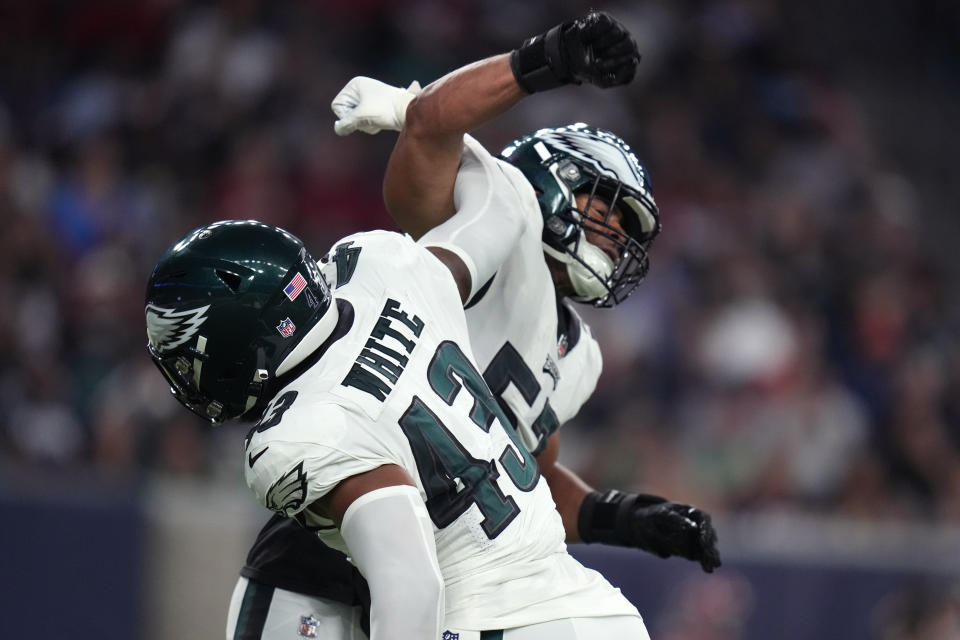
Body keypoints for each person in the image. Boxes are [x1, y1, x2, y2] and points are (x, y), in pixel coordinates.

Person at [148, 11, 656, 640]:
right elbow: (483, 182)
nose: (615, 235)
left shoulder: (299, 431)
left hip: (470, 599)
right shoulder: (392, 269)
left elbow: (414, 582)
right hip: (569, 603)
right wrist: (422, 110)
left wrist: (615, 515)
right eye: (606, 212)